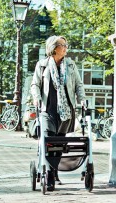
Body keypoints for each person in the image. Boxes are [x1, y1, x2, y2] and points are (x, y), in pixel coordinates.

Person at [31, 35, 86, 191]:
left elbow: (78, 86)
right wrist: (36, 98)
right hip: (47, 111)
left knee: (59, 144)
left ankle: (53, 172)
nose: (66, 47)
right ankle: (48, 174)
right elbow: (35, 84)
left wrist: (82, 99)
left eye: (66, 44)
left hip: (65, 111)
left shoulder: (70, 65)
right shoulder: (42, 66)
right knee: (48, 141)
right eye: (63, 45)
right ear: (54, 48)